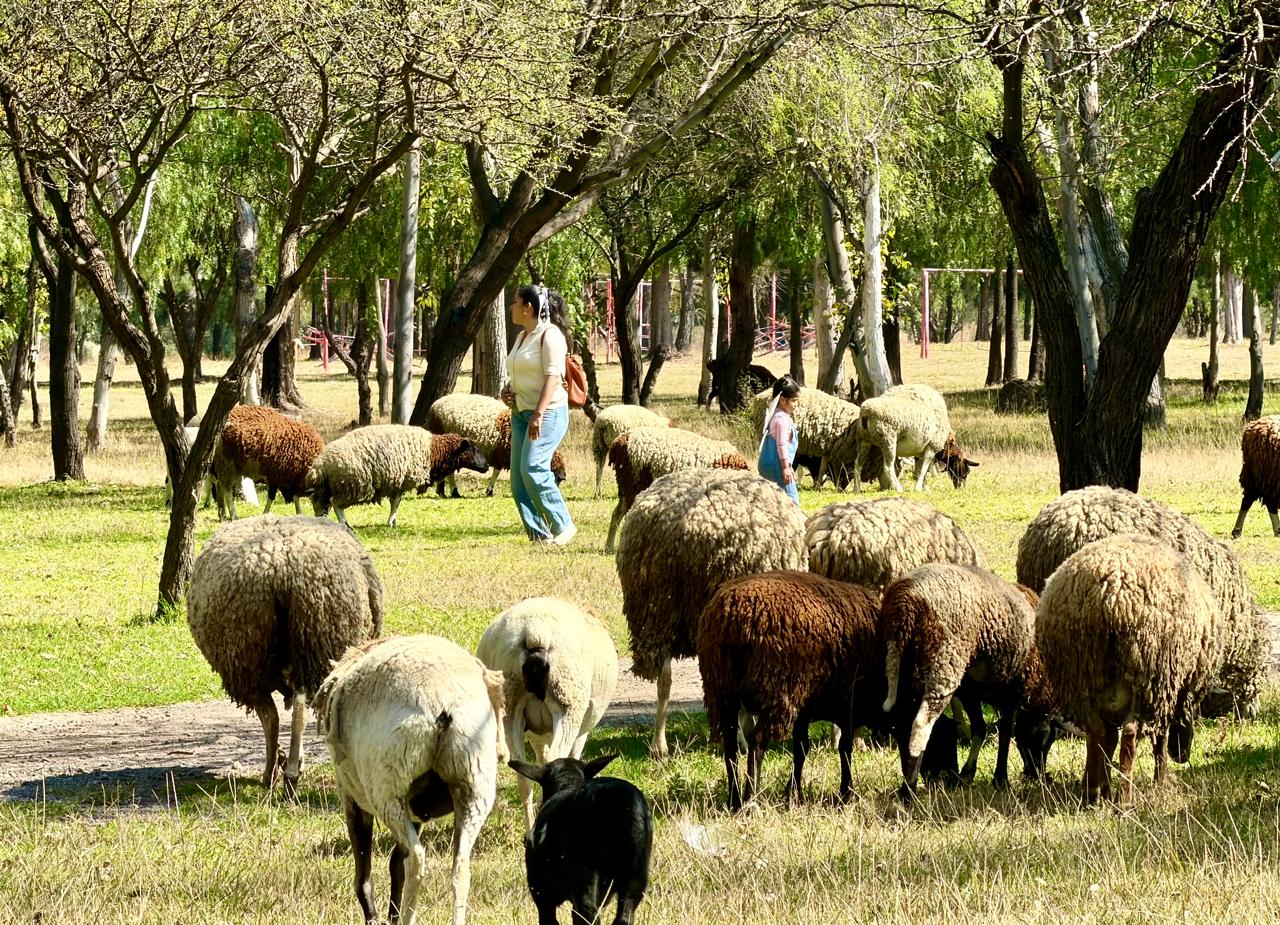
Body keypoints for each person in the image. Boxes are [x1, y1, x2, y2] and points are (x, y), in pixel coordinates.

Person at [501, 285, 577, 545]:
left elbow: (553, 377)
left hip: (547, 414)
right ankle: (539, 535)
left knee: (533, 468)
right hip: (521, 412)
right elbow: (518, 371)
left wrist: (538, 414)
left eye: (514, 301)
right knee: (519, 479)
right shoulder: (523, 336)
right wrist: (508, 391)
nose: (511, 307)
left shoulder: (550, 335)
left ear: (528, 307)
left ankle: (563, 525)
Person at [757, 375, 801, 505]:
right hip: (777, 466)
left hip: (768, 465)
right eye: (794, 401)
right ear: (782, 400)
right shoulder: (781, 419)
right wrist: (785, 468)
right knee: (792, 501)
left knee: (772, 501)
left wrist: (788, 465)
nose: (796, 405)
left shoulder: (774, 414)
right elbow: (781, 445)